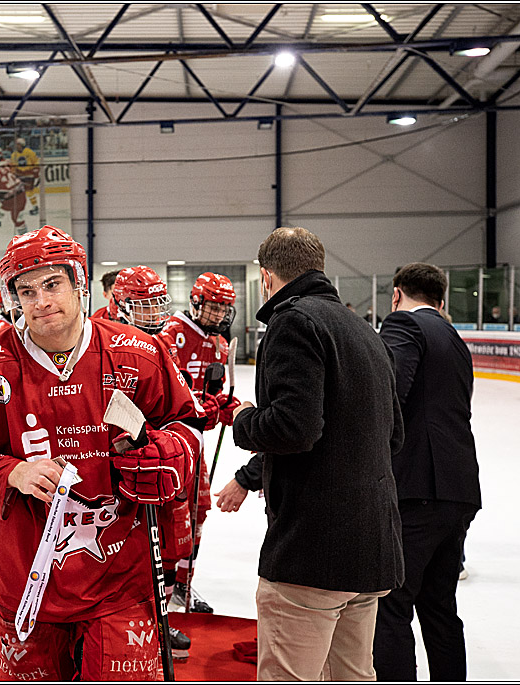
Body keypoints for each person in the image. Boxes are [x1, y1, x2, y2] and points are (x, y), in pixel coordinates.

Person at [0, 226, 202, 680]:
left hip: (121, 578)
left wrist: (166, 455)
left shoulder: (137, 354)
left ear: (78, 281)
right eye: (27, 290)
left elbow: (186, 424)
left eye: (52, 284)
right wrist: (9, 472)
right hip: (26, 578)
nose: (41, 301)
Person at [231, 227, 404, 681]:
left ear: (266, 277)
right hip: (371, 549)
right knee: (352, 675)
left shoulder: (292, 322)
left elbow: (294, 426)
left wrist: (245, 420)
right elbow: (395, 436)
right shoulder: (365, 331)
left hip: (311, 553)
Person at [373, 263, 482, 681]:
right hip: (458, 489)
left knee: (391, 604)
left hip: (417, 487)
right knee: (440, 608)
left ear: (397, 294)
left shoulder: (402, 324)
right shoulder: (455, 339)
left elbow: (387, 398)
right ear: (442, 300)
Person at [108, 265, 193, 657]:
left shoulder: (159, 342)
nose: (154, 311)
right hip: (109, 475)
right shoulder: (99, 338)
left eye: (159, 302)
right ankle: (120, 628)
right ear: (120, 304)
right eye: (144, 304)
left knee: (169, 543)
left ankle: (158, 622)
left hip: (154, 463)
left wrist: (169, 443)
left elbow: (178, 408)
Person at [157, 272, 240, 613]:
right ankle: (163, 587)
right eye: (214, 307)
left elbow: (213, 395)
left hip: (198, 447)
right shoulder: (171, 335)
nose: (219, 314)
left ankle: (184, 587)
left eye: (224, 308)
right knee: (171, 516)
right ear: (196, 301)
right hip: (171, 444)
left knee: (197, 514)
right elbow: (163, 395)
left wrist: (224, 406)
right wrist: (194, 406)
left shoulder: (220, 343)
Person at [10, 137, 41, 216]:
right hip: (20, 175)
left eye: (18, 144)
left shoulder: (29, 152)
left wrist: (36, 171)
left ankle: (35, 207)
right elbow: (13, 166)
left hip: (29, 174)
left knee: (29, 191)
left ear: (22, 145)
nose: (16, 146)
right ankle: (19, 207)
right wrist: (13, 173)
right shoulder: (14, 155)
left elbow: (36, 161)